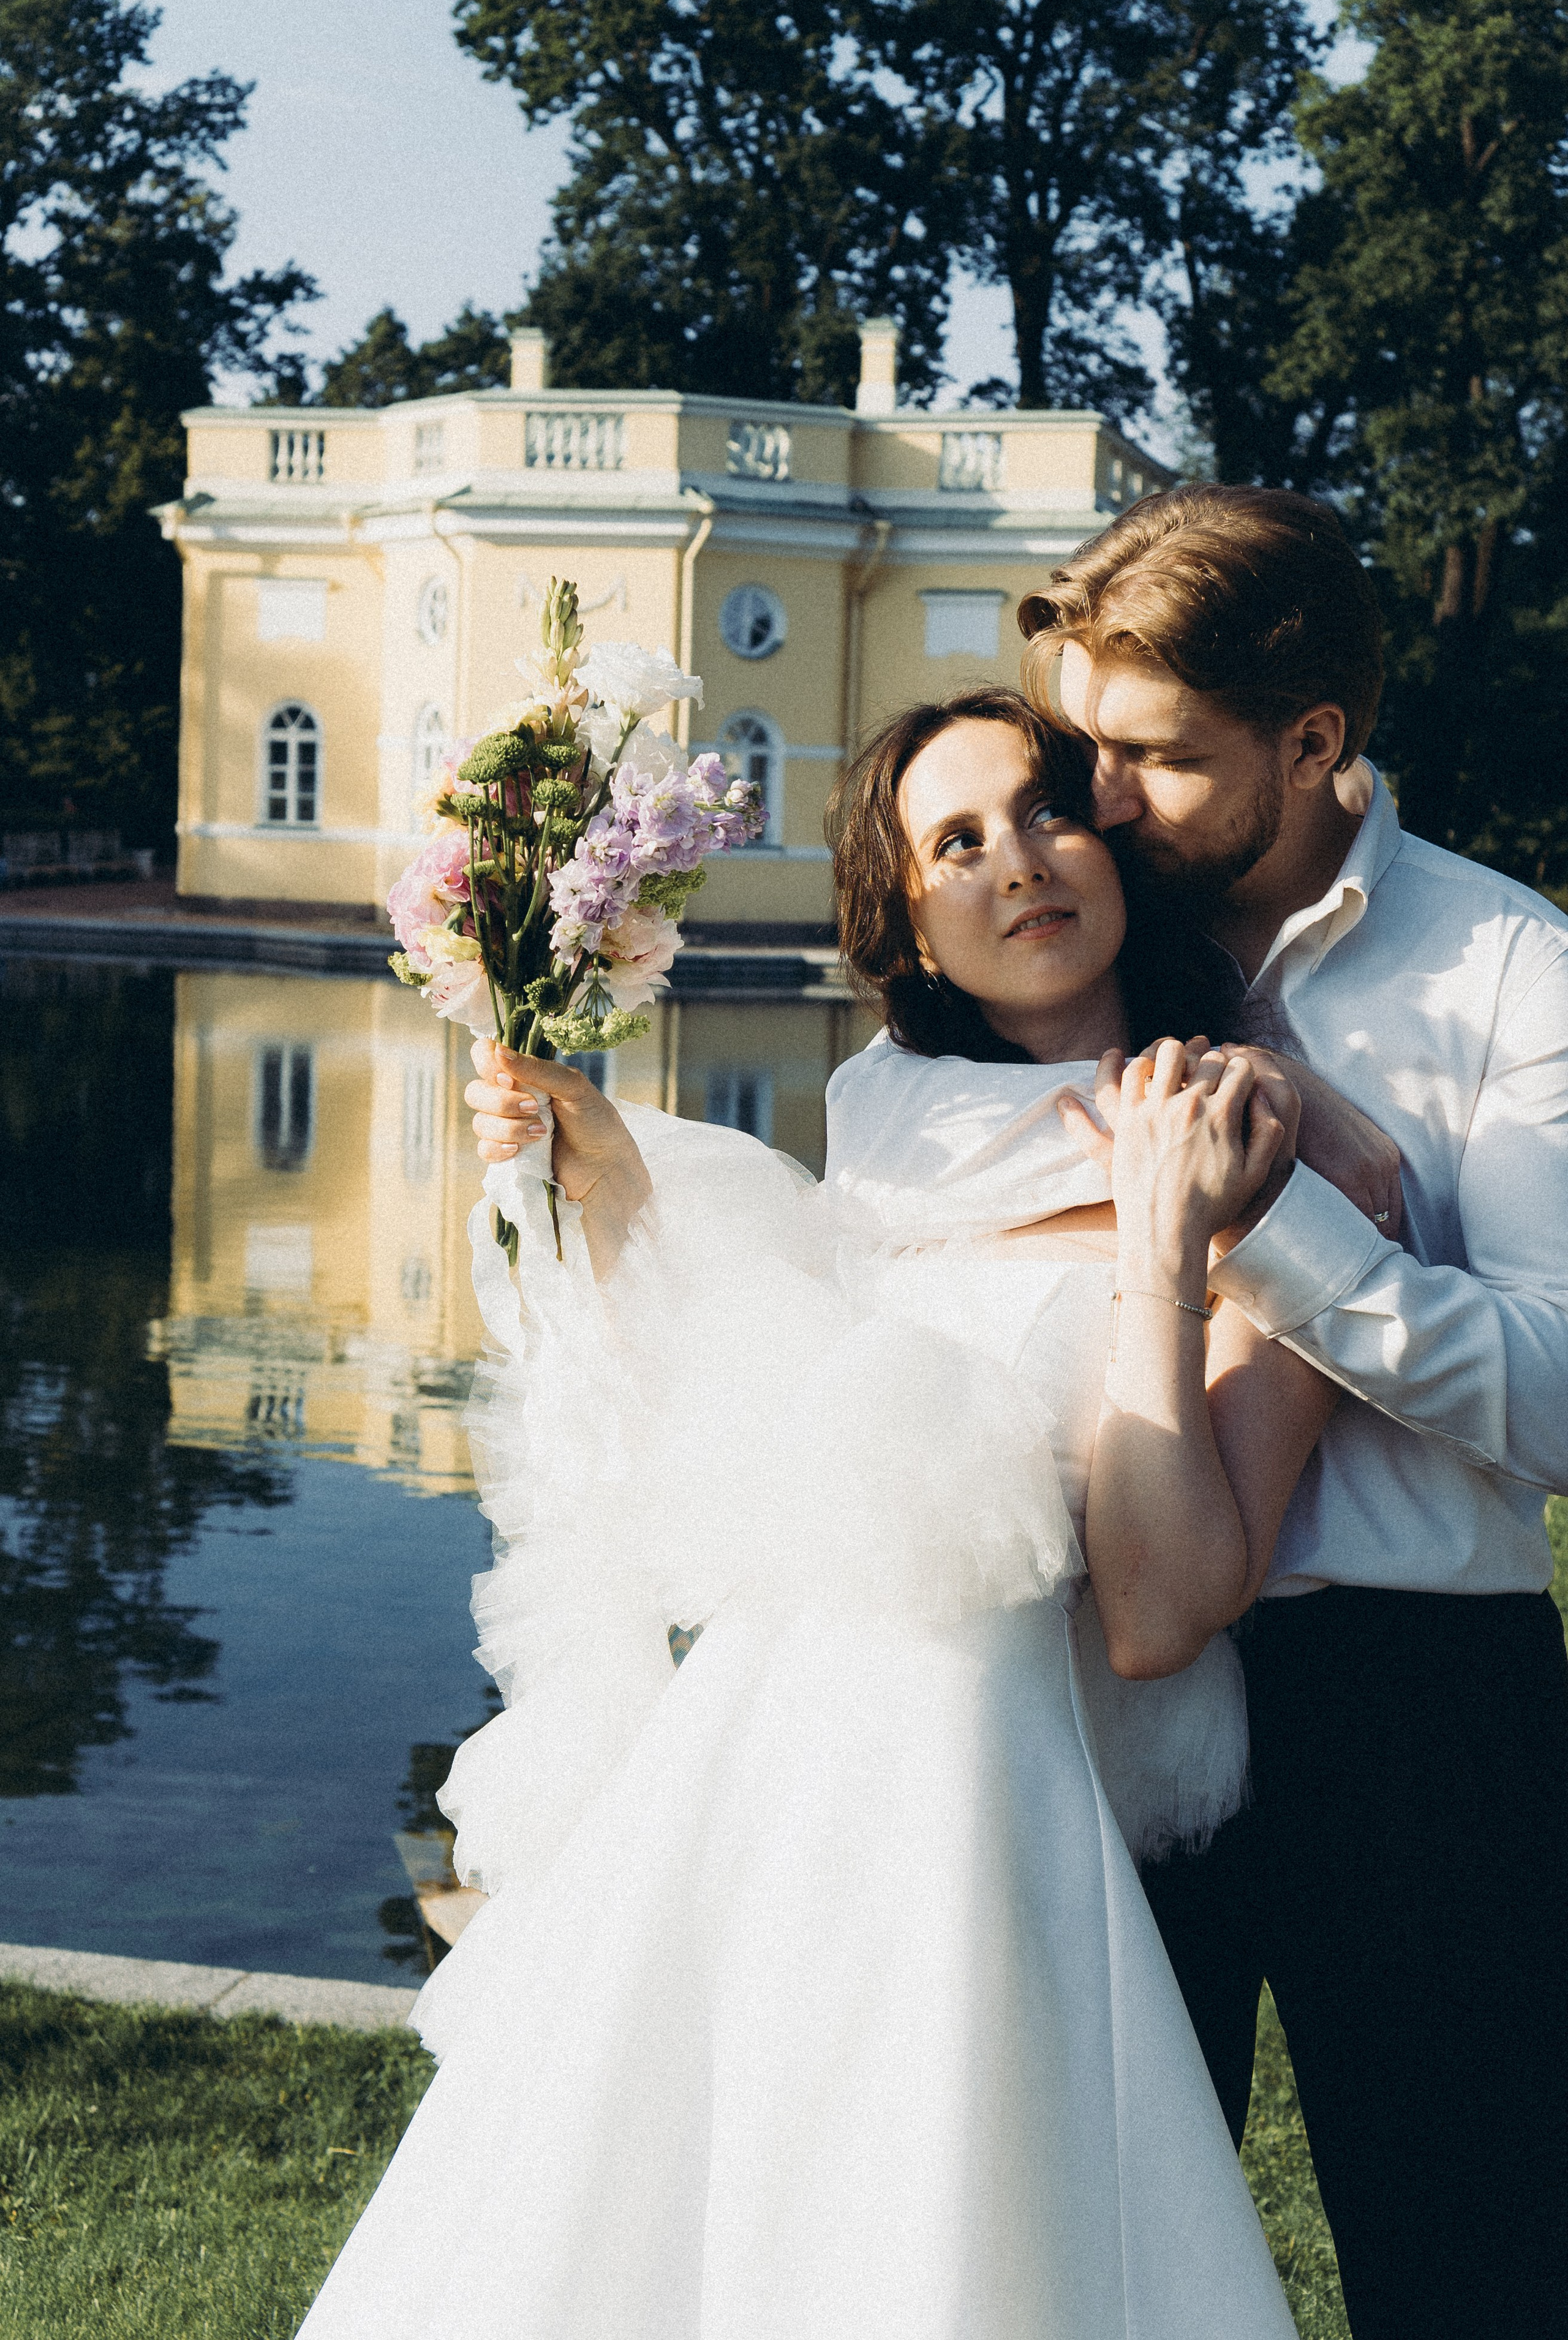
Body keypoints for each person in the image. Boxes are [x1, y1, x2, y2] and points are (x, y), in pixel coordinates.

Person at [297, 688, 1359, 2338]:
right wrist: (605, 1174)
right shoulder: (884, 1119)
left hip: (998, 1785)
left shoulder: (1255, 1123)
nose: (1018, 864)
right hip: (778, 1757)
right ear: (912, 919)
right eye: (957, 842)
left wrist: (1161, 1242)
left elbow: (1164, 1612)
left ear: (1117, 844)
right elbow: (762, 1427)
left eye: (1046, 811)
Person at [838, 485, 1568, 2340]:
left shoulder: (1510, 971)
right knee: (1070, 2254)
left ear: (1312, 743)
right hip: (1092, 1700)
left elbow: (1563, 1400)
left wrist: (1286, 1244)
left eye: (1151, 760)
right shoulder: (1046, 963)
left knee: (1467, 2258)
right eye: (1086, 749)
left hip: (1416, 1708)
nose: (1095, 807)